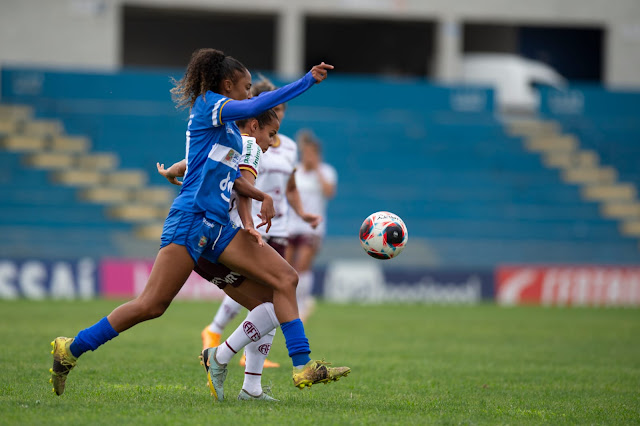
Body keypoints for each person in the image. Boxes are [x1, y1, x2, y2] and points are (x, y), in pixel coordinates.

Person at [50, 48, 349, 401]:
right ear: (226, 85)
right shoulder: (209, 105)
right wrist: (306, 81)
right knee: (151, 305)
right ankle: (70, 348)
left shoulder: (232, 135)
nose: (249, 94)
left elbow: (221, 172)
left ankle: (302, 366)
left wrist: (258, 195)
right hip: (190, 222)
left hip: (218, 226)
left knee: (285, 280)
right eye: (246, 86)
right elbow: (252, 109)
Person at [158, 108, 281, 400]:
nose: (271, 142)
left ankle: (251, 388)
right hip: (218, 241)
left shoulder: (223, 144)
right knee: (278, 298)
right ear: (253, 126)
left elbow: (190, 164)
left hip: (202, 243)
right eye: (271, 134)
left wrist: (171, 171)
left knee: (268, 302)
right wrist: (250, 223)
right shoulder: (249, 144)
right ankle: (221, 356)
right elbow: (243, 188)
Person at [200, 77, 322, 363]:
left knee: (273, 294)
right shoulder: (247, 144)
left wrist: (302, 214)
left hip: (276, 226)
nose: (278, 113)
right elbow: (241, 183)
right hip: (247, 226)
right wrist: (254, 214)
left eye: (281, 110)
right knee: (273, 293)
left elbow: (289, 187)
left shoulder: (288, 146)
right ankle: (221, 342)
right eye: (274, 108)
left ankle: (249, 374)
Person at [285, 130, 338, 317]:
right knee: (286, 267)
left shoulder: (326, 172)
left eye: (311, 153)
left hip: (313, 228)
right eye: (305, 153)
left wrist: (316, 169)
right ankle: (291, 302)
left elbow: (329, 192)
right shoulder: (295, 172)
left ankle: (302, 304)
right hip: (291, 226)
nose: (307, 157)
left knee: (302, 265)